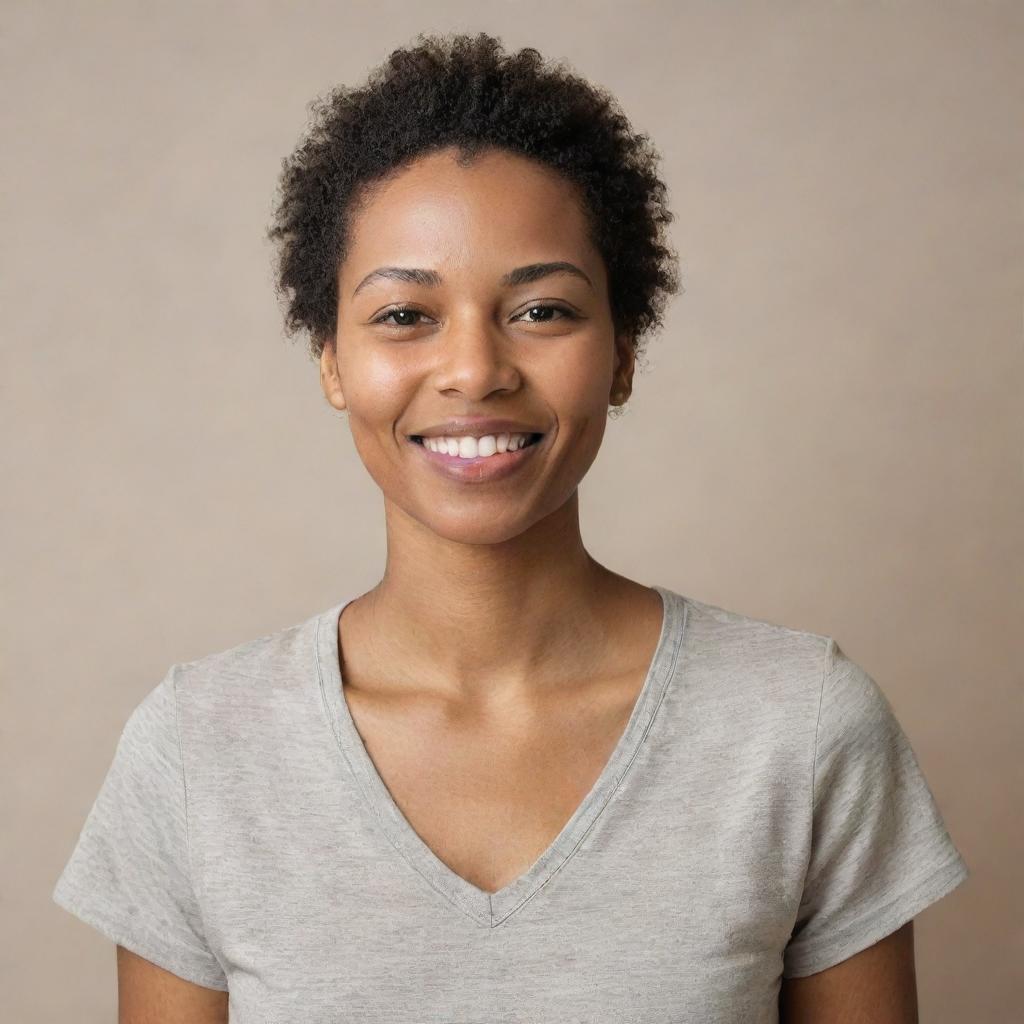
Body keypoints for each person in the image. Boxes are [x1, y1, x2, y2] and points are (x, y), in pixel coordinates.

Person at [52, 30, 968, 1023]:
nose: (476, 369)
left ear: (622, 352)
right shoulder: (199, 751)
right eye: (404, 315)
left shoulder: (798, 730)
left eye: (540, 310)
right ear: (330, 359)